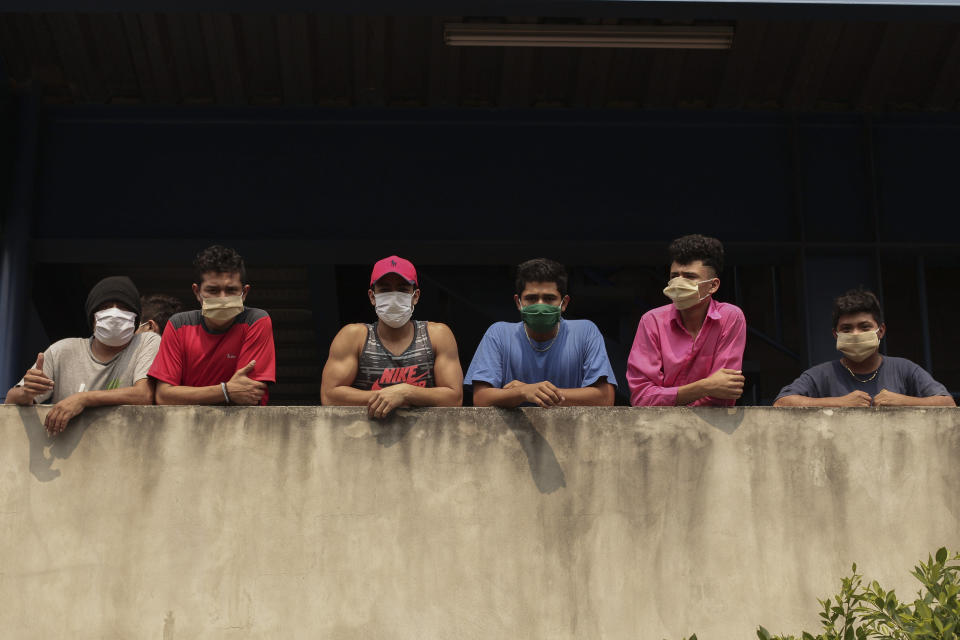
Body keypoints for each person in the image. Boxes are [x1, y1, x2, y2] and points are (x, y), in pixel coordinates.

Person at [4, 276, 160, 434]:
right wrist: (26, 392)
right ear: (92, 317)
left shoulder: (145, 342)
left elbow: (144, 395)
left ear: (135, 318)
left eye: (123, 308)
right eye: (105, 307)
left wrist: (83, 398)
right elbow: (11, 399)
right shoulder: (62, 350)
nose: (114, 314)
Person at [321, 255, 463, 418]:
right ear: (372, 296)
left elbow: (454, 398)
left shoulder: (437, 335)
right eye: (385, 289)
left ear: (415, 296)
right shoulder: (354, 337)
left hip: (426, 440)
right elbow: (329, 396)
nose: (394, 296)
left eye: (402, 289)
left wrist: (406, 392)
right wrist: (388, 397)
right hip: (363, 439)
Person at [465, 258, 616, 408]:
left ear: (564, 303)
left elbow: (605, 398)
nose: (540, 306)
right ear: (518, 302)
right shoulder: (498, 334)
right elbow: (481, 398)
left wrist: (535, 392)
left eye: (549, 298)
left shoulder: (585, 332)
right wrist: (523, 392)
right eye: (531, 298)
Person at [774, 289, 955, 407]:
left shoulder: (905, 369)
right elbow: (782, 403)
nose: (856, 333)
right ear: (836, 335)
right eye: (847, 328)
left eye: (864, 327)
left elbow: (947, 403)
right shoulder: (820, 375)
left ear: (881, 330)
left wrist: (902, 401)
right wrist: (839, 403)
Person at [626, 234, 746, 407]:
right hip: (658, 428)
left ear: (713, 285)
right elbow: (642, 398)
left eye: (689, 277)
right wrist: (705, 386)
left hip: (711, 429)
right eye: (675, 276)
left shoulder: (730, 317)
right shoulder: (652, 321)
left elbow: (724, 394)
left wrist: (668, 398)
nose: (678, 283)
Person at [150, 245, 276, 406]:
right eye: (213, 290)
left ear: (244, 293)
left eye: (231, 290)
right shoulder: (178, 325)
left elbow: (249, 395)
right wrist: (225, 391)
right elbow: (163, 396)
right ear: (197, 292)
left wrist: (184, 394)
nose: (223, 298)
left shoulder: (256, 321)